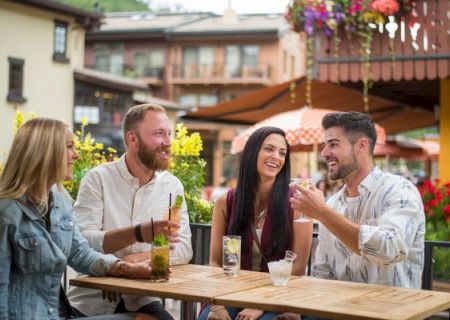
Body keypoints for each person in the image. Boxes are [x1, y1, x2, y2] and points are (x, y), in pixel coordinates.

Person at [0, 118, 178, 320]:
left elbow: (81, 253)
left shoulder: (60, 202)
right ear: (45, 152)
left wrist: (128, 269)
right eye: (69, 147)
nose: (75, 155)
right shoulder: (6, 213)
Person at [68, 104, 193, 319]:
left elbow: (183, 248)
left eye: (169, 134)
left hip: (143, 298)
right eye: (158, 134)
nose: (168, 142)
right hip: (92, 298)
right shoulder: (98, 179)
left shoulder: (172, 186)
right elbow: (82, 240)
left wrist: (136, 260)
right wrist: (120, 265)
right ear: (132, 139)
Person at [290, 112, 425, 291]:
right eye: (325, 145)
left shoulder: (400, 190)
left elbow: (390, 248)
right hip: (337, 311)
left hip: (390, 311)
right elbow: (322, 271)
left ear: (361, 146)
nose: (324, 153)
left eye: (333, 144)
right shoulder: (332, 204)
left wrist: (322, 213)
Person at [199, 127, 313, 320]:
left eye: (282, 153)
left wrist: (260, 304)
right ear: (252, 153)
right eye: (269, 149)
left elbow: (299, 267)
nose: (276, 157)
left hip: (277, 297)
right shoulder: (224, 202)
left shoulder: (298, 203)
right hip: (229, 294)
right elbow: (216, 262)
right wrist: (216, 305)